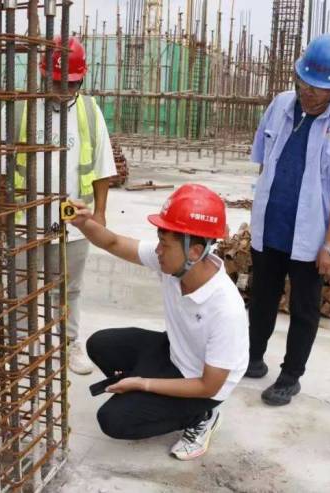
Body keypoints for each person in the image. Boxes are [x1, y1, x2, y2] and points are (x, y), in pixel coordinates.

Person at [68, 184, 249, 460]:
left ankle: (202, 417)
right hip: (175, 351)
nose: (158, 251)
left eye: (165, 244)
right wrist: (84, 223)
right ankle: (148, 396)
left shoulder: (226, 309)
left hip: (201, 385)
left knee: (113, 420)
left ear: (194, 251)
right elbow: (113, 243)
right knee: (100, 344)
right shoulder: (175, 262)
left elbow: (208, 385)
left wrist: (142, 384)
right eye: (159, 240)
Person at [245, 34, 330, 406]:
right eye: (305, 84)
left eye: (320, 89)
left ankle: (290, 376)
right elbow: (264, 161)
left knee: (304, 309)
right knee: (262, 298)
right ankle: (252, 358)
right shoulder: (280, 105)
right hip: (271, 226)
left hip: (309, 237)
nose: (310, 94)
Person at [0, 36, 117, 375]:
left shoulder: (89, 111)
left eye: (71, 84)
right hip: (25, 218)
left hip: (73, 220)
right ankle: (22, 344)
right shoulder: (18, 109)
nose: (64, 91)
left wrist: (100, 214)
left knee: (68, 288)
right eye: (58, 83)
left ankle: (68, 342)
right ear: (42, 74)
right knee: (21, 286)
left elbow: (102, 168)